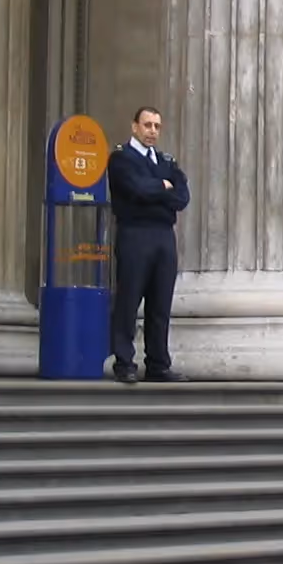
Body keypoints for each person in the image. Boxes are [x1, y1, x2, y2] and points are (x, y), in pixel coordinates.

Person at [107, 106, 190, 384]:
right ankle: (124, 361)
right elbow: (135, 189)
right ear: (135, 127)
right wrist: (162, 187)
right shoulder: (121, 158)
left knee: (160, 303)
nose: (152, 131)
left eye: (156, 126)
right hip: (135, 233)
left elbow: (182, 197)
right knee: (129, 298)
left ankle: (157, 362)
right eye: (147, 125)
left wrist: (161, 188)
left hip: (164, 236)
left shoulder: (167, 161)